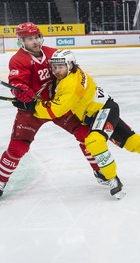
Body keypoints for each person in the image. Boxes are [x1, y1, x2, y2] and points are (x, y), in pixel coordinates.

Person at [33, 50, 140, 199]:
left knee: (94, 141)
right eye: (54, 66)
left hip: (103, 111)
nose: (56, 70)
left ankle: (112, 179)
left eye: (60, 66)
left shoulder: (70, 83)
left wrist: (33, 107)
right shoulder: (72, 74)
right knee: (133, 143)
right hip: (103, 110)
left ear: (70, 64)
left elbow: (56, 109)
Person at [0, 22, 98, 197]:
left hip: (56, 105)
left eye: (37, 37)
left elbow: (72, 72)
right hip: (32, 111)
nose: (35, 41)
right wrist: (22, 93)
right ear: (21, 41)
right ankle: (1, 181)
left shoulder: (53, 53)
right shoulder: (18, 60)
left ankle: (100, 170)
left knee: (86, 136)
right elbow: (17, 83)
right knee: (17, 148)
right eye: (30, 39)